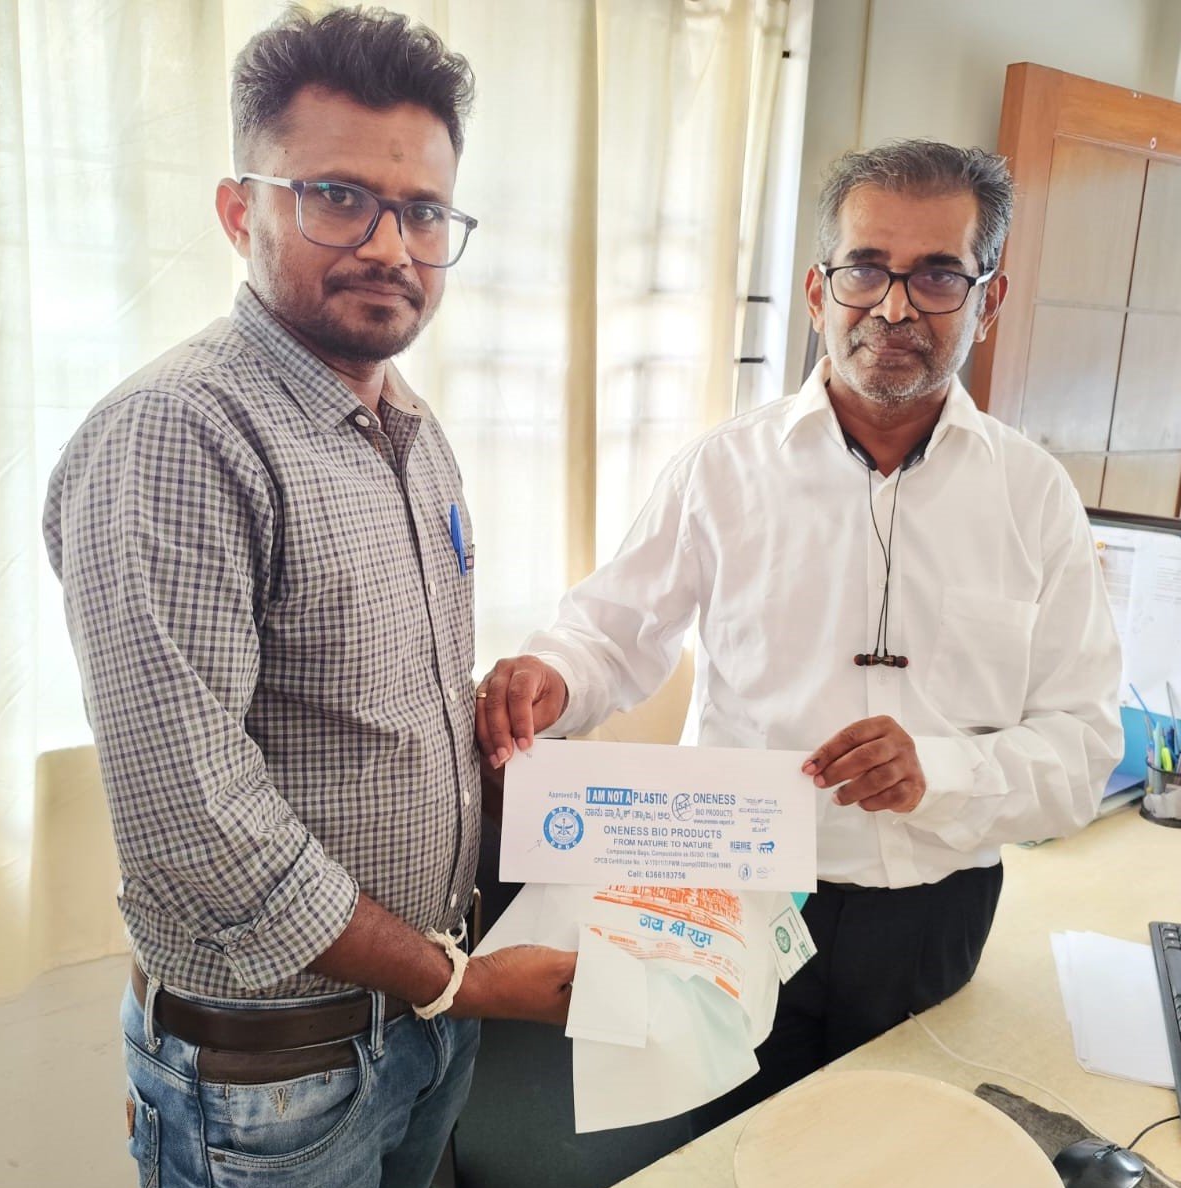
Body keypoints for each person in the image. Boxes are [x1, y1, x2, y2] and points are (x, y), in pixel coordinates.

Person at [475, 139, 1122, 1127]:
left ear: (987, 301)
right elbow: (609, 634)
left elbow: (1085, 747)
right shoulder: (722, 471)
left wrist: (941, 770)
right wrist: (552, 677)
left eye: (937, 275)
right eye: (866, 269)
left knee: (887, 1155)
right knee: (715, 1151)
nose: (894, 308)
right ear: (820, 290)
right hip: (729, 899)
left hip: (931, 916)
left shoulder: (1034, 498)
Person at [43, 9, 574, 1188]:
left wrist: (490, 746)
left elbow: (370, 707)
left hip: (419, 1030)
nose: (391, 245)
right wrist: (459, 981)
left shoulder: (410, 429)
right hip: (273, 1080)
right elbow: (199, 823)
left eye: (424, 211)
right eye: (339, 196)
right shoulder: (179, 435)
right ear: (242, 211)